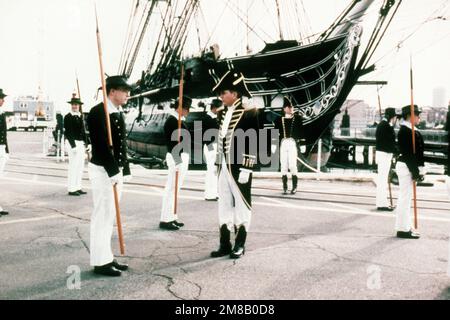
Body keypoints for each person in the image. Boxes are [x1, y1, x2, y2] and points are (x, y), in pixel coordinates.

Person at [210, 70, 260, 259]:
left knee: (242, 204)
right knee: (223, 203)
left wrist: (248, 166)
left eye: (224, 93)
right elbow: (220, 138)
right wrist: (217, 163)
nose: (221, 96)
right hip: (224, 165)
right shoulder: (222, 113)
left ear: (235, 93)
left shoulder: (250, 112)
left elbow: (254, 140)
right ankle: (224, 243)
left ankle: (240, 244)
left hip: (240, 166)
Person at [87, 75, 133, 276]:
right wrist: (113, 171)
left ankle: (106, 256)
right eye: (124, 90)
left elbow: (122, 144)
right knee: (102, 215)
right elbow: (101, 145)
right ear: (112, 91)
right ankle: (100, 261)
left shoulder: (117, 112)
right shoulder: (99, 112)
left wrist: (125, 169)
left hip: (115, 170)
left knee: (109, 215)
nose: (127, 95)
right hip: (104, 171)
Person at [159, 96, 192, 231]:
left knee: (175, 190)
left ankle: (172, 217)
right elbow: (173, 144)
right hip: (176, 157)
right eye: (186, 108)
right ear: (180, 107)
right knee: (171, 189)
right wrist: (178, 161)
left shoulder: (177, 120)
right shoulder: (172, 122)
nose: (188, 112)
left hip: (180, 156)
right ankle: (166, 219)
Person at [394, 105, 424, 239]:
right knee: (404, 199)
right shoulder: (406, 131)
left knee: (406, 198)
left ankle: (406, 226)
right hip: (407, 166)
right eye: (417, 114)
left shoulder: (410, 130)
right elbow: (409, 154)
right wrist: (416, 172)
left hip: (408, 166)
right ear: (410, 116)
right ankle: (402, 229)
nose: (419, 117)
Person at [273, 96, 303, 195]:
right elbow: (274, 132)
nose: (291, 108)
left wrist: (302, 143)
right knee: (283, 165)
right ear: (284, 108)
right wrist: (273, 145)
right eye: (288, 107)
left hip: (292, 143)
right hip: (283, 143)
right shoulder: (278, 120)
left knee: (292, 165)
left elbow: (301, 131)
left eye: (291, 107)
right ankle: (285, 187)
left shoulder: (297, 118)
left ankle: (294, 187)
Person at [64, 94, 89, 196]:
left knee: (80, 166)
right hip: (72, 143)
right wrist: (73, 145)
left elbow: (83, 131)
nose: (75, 106)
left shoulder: (80, 116)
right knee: (73, 166)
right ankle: (71, 188)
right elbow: (68, 133)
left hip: (80, 143)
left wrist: (88, 143)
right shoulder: (68, 117)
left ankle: (78, 186)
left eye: (77, 105)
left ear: (79, 106)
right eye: (73, 105)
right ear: (71, 105)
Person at [375, 108, 399, 211]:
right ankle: (382, 204)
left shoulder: (382, 125)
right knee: (383, 180)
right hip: (385, 155)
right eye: (394, 117)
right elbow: (389, 143)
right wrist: (397, 151)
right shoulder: (386, 126)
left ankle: (382, 202)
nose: (395, 120)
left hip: (383, 154)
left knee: (382, 180)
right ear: (391, 117)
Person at [203, 99, 221, 201]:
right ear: (214, 108)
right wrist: (211, 149)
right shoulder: (207, 119)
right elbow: (204, 135)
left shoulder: (212, 118)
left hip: (215, 146)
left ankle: (213, 192)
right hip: (211, 146)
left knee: (214, 171)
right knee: (211, 170)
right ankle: (210, 194)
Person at [0, 88, 10, 217]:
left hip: (1, 147)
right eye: (1, 98)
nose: (3, 100)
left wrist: (7, 150)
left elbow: (4, 134)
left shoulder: (2, 113)